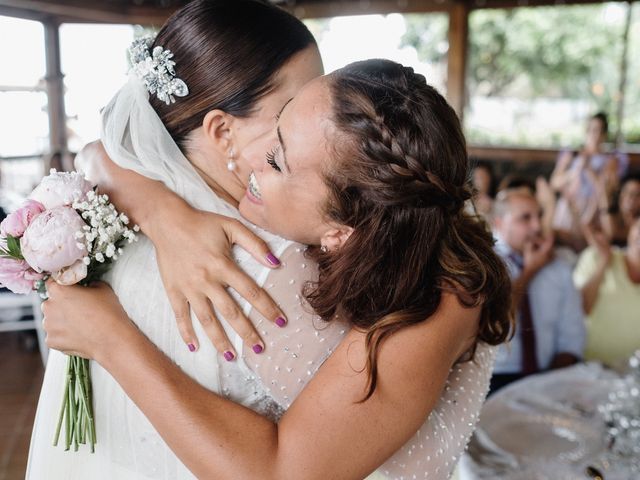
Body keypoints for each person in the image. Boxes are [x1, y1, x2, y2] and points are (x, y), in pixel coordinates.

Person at [41, 55, 513, 479]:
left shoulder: (440, 299)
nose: (246, 157)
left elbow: (283, 472)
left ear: (341, 231)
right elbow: (98, 152)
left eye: (277, 161)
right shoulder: (389, 218)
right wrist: (163, 213)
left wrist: (111, 340)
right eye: (278, 124)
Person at [28, 1, 345, 478]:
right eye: (293, 111)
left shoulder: (101, 214)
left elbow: (99, 152)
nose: (319, 127)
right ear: (221, 130)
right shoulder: (271, 263)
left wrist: (158, 211)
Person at [490, 189, 585, 394]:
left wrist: (549, 385)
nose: (536, 226)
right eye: (525, 218)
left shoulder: (558, 267)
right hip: (493, 377)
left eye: (539, 216)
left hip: (548, 376)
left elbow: (572, 337)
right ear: (499, 223)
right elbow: (495, 322)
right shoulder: (484, 265)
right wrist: (530, 271)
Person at [550, 112, 629, 251]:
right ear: (586, 130)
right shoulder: (572, 154)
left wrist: (589, 169)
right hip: (570, 204)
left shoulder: (611, 160)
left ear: (604, 134)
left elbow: (607, 190)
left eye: (599, 130)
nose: (595, 134)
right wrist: (574, 172)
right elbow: (554, 183)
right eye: (592, 129)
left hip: (594, 209)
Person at [572, 219, 640, 367]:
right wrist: (604, 261)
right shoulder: (595, 256)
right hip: (591, 368)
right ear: (631, 230)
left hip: (634, 375)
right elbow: (580, 308)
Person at [597, 173, 640, 247]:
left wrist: (604, 195)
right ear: (620, 194)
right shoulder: (612, 213)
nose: (631, 198)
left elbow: (612, 233)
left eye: (637, 194)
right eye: (627, 192)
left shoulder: (637, 222)